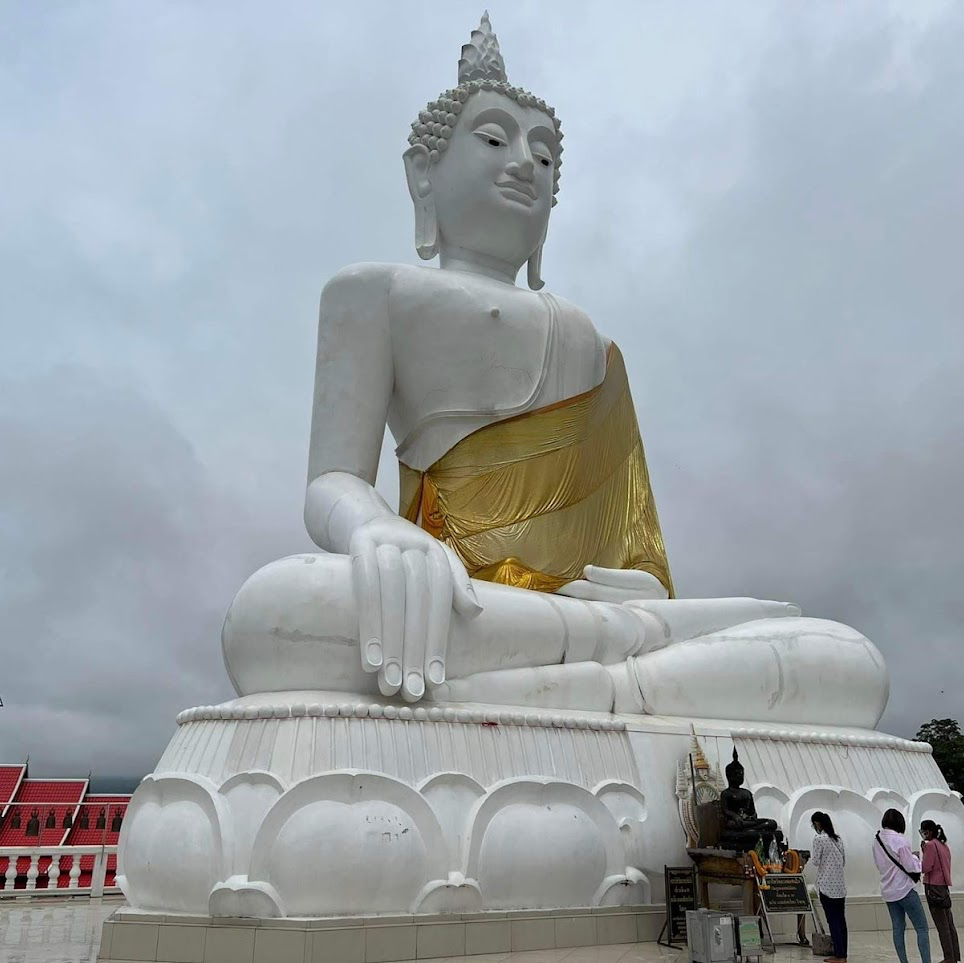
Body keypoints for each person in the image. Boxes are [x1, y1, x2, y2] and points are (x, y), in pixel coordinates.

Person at [874, 809, 931, 963]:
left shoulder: (877, 839)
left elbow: (880, 864)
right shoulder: (900, 840)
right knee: (922, 928)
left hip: (888, 890)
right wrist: (917, 859)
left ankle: (903, 961)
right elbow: (911, 866)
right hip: (905, 889)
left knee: (898, 928)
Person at [810, 811, 847, 962]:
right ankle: (843, 953)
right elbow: (843, 861)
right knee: (841, 921)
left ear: (818, 823)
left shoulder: (819, 839)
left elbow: (816, 861)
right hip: (840, 886)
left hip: (826, 886)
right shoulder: (838, 839)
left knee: (832, 921)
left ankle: (838, 955)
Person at [920, 819, 959, 963]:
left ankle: (948, 958)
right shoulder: (943, 845)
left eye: (922, 831)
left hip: (933, 888)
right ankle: (954, 956)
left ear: (928, 832)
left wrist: (923, 852)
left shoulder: (930, 845)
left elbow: (926, 867)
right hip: (943, 887)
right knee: (949, 924)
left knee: (942, 926)